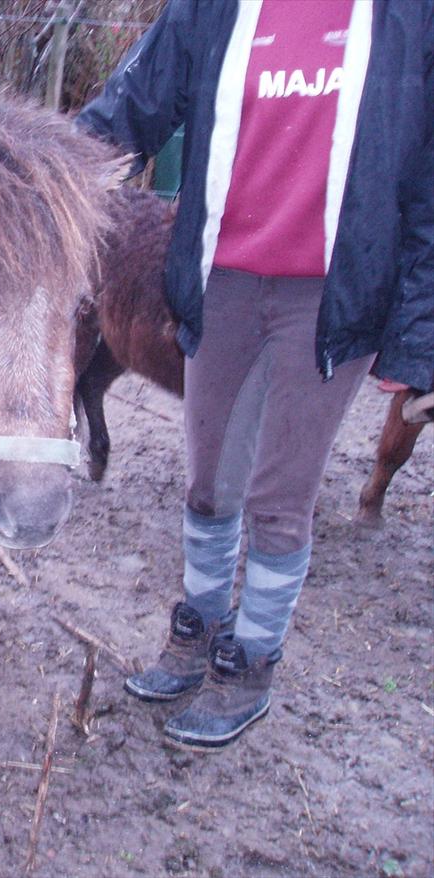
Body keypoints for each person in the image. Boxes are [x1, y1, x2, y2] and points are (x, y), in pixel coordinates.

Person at [75, 0, 433, 750]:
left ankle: (252, 662)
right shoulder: (217, 9)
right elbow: (130, 109)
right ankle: (198, 629)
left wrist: (420, 342)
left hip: (331, 293)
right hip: (224, 281)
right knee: (209, 482)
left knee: (279, 496)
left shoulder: (410, 20)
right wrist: (30, 176)